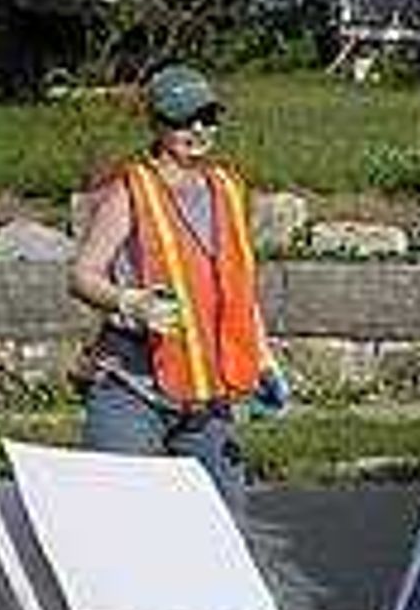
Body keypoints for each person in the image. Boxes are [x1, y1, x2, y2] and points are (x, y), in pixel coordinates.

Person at [67, 63, 285, 502]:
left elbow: (238, 289)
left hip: (206, 393)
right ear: (158, 123)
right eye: (185, 119)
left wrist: (263, 359)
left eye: (208, 117)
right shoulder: (132, 189)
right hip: (131, 384)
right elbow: (82, 276)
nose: (199, 129)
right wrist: (131, 302)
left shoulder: (227, 187)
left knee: (223, 522)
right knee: (115, 515)